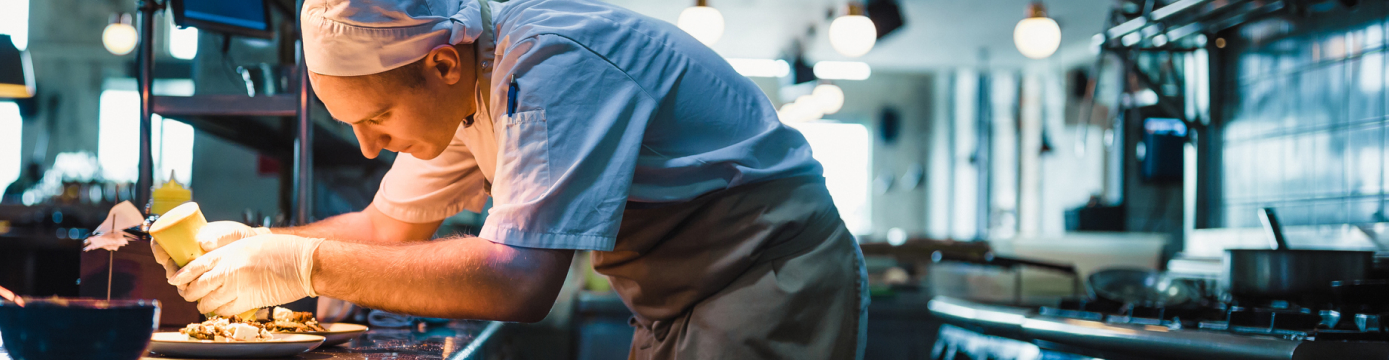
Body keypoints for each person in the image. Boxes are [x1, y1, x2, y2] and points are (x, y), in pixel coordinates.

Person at [153, 0, 868, 357]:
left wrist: (301, 262)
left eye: (377, 119)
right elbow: (381, 228)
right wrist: (250, 244)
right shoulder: (464, 92)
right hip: (679, 301)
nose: (371, 148)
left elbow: (517, 281)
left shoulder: (548, 67)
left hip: (770, 282)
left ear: (441, 64)